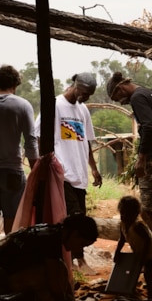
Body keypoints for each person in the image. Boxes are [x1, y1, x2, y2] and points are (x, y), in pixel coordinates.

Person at [0, 213, 98, 301]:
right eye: (82, 244)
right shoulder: (50, 239)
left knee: (59, 269)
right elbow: (54, 284)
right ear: (75, 234)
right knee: (46, 284)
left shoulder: (51, 232)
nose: (79, 249)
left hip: (6, 274)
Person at [36, 72, 103, 266]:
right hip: (62, 172)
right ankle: (78, 260)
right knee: (74, 217)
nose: (86, 97)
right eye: (84, 92)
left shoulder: (83, 110)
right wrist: (48, 162)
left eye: (90, 94)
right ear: (75, 86)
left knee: (78, 216)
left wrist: (94, 169)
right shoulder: (55, 106)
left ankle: (71, 258)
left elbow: (86, 142)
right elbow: (40, 135)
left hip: (79, 173)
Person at [106, 71, 152, 244]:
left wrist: (142, 157)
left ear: (120, 88)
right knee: (146, 211)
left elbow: (149, 126)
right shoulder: (151, 93)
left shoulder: (137, 97)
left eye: (118, 98)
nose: (123, 102)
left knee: (151, 211)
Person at [0, 65, 39, 243]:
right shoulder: (22, 105)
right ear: (15, 84)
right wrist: (35, 172)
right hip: (12, 172)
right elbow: (30, 141)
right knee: (12, 222)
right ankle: (6, 261)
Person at [115, 195, 152, 300]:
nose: (123, 216)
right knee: (138, 271)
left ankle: (151, 296)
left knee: (148, 274)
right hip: (141, 252)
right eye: (122, 213)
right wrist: (117, 252)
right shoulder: (122, 224)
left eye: (127, 214)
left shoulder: (138, 225)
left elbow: (148, 240)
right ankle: (132, 291)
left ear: (135, 214)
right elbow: (122, 240)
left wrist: (143, 256)